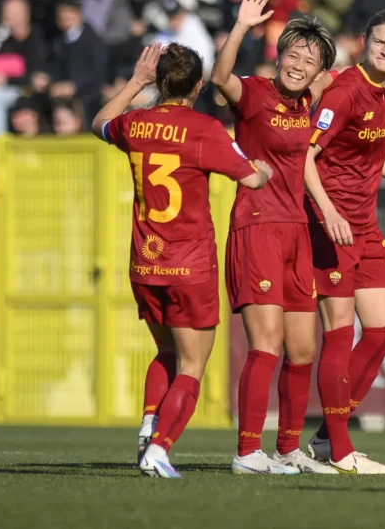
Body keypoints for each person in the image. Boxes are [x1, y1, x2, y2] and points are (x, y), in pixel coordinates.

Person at [92, 43, 272, 478]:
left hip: (145, 262)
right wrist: (262, 168)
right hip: (189, 264)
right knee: (193, 364)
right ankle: (159, 448)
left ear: (160, 80)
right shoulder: (204, 129)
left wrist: (136, 81)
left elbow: (97, 123)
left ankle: (149, 424)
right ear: (198, 86)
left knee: (166, 350)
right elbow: (250, 178)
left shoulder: (135, 123)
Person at [210, 0, 337, 475]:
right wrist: (243, 23)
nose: (298, 62)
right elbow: (220, 76)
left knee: (303, 349)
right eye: (293, 51)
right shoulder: (256, 92)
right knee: (266, 344)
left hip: (297, 232)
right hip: (257, 227)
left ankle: (287, 449)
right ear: (280, 53)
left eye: (310, 58)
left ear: (319, 71)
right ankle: (246, 452)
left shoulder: (311, 103)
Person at [304, 9, 385, 475]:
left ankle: (330, 434)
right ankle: (342, 448)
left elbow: (375, 155)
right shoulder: (346, 90)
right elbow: (305, 156)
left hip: (366, 227)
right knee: (338, 333)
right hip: (333, 224)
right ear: (365, 41)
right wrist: (328, 212)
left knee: (383, 332)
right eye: (380, 42)